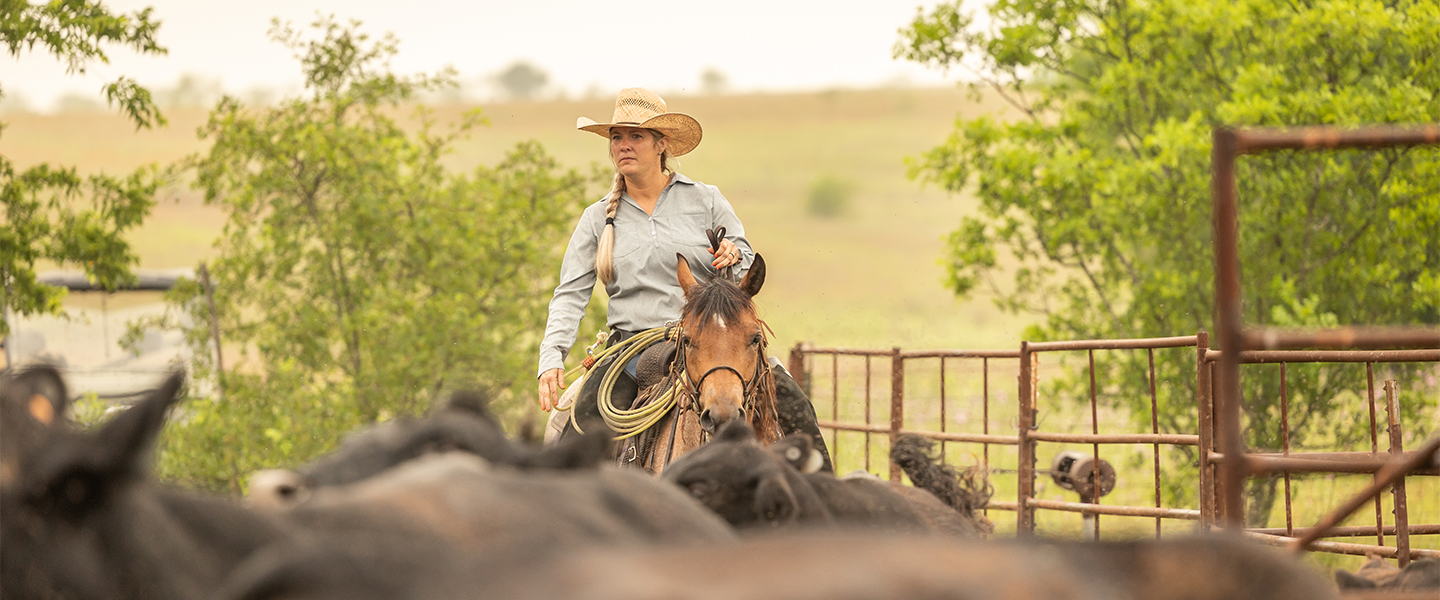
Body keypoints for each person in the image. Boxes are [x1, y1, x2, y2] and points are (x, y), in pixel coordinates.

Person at [536, 88, 831, 471]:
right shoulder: (596, 218)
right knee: (580, 428)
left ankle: (832, 503)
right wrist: (551, 356)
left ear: (662, 144)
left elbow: (743, 269)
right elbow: (570, 294)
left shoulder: (705, 200)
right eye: (617, 137)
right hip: (632, 350)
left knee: (794, 404)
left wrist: (734, 255)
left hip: (713, 340)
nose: (624, 146)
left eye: (635, 136)